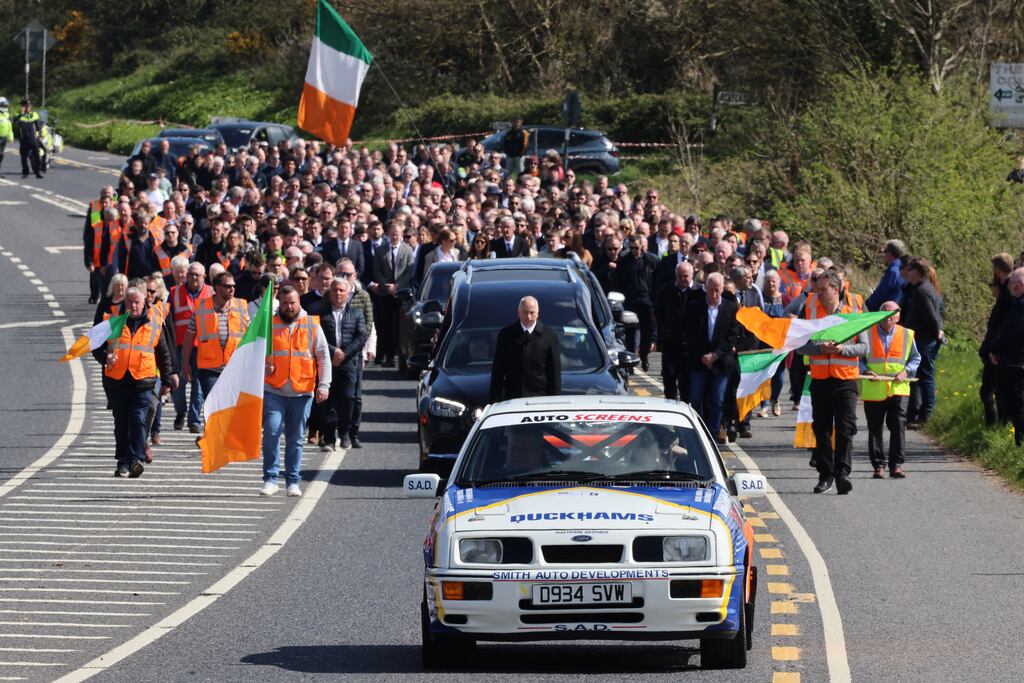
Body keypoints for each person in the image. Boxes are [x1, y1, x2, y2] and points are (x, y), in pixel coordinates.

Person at [92, 287, 177, 477]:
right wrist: (106, 358)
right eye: (129, 302)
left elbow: (163, 354)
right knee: (121, 423)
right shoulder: (113, 323)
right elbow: (95, 346)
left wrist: (167, 379)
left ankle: (136, 459)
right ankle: (123, 461)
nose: (133, 305)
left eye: (137, 302)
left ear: (144, 303)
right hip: (118, 381)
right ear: (125, 304)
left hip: (143, 381)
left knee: (138, 420)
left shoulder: (153, 324)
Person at [798, 270, 868, 494]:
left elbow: (865, 348)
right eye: (817, 290)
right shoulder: (811, 313)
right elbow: (799, 347)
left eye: (823, 290)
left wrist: (842, 349)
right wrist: (819, 348)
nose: (818, 294)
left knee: (846, 429)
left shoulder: (853, 313)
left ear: (836, 290)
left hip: (846, 380)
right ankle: (825, 475)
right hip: (820, 380)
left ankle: (842, 474)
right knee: (822, 429)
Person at [261, 285, 331, 497]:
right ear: (278, 303)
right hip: (274, 390)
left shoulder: (312, 325)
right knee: (272, 432)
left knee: (295, 437)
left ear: (299, 302)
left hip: (302, 392)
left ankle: (293, 481)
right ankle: (270, 479)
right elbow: (254, 354)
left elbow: (323, 357)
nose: (289, 307)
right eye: (284, 303)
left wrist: (324, 385)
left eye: (292, 303)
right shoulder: (268, 325)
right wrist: (265, 367)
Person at [179, 272, 249, 434]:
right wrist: (185, 364)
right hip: (209, 367)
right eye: (227, 286)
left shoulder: (241, 307)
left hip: (233, 367)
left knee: (229, 403)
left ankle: (217, 434)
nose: (232, 289)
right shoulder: (201, 308)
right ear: (217, 288)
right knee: (214, 401)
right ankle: (212, 434)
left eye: (233, 286)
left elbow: (250, 336)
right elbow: (189, 337)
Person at [860, 301, 920, 478]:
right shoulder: (867, 333)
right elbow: (858, 357)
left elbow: (915, 358)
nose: (888, 317)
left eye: (892, 314)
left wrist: (906, 371)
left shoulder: (907, 334)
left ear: (898, 316)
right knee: (874, 428)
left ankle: (896, 465)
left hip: (898, 388)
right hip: (874, 387)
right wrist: (865, 370)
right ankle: (878, 466)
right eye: (885, 313)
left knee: (898, 426)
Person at [684, 273, 739, 444]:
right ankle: (697, 434)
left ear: (722, 289)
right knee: (695, 398)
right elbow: (689, 333)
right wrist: (703, 355)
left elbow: (732, 336)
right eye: (711, 290)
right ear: (706, 289)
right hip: (699, 360)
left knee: (717, 399)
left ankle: (713, 434)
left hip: (721, 361)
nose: (714, 294)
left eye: (717, 290)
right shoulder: (695, 306)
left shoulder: (730, 308)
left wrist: (715, 355)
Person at [315, 278, 367, 450]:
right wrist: (332, 351)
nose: (338, 293)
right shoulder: (320, 313)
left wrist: (344, 353)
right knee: (328, 402)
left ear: (348, 293)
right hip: (327, 362)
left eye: (341, 291)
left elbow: (361, 337)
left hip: (348, 363)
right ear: (329, 292)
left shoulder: (357, 313)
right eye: (335, 290)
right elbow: (315, 335)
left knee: (347, 399)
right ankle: (329, 439)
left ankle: (345, 433)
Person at [489, 296, 561, 402]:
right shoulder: (506, 335)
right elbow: (498, 370)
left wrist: (555, 401)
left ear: (538, 313)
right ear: (518, 312)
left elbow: (554, 372)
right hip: (513, 398)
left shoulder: (549, 335)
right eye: (525, 312)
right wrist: (495, 400)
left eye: (532, 313)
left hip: (540, 398)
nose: (528, 316)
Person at [900, 258, 943, 429]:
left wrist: (936, 333)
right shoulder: (920, 288)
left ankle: (926, 414)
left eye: (909, 269)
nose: (907, 273)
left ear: (916, 271)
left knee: (925, 377)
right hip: (922, 339)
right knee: (918, 377)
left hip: (925, 340)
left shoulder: (922, 290)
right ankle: (914, 413)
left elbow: (931, 316)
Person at [169, 262, 212, 432]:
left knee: (198, 385)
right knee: (178, 385)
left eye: (198, 275)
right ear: (186, 275)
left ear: (204, 277)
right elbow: (169, 320)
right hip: (180, 346)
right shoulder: (174, 293)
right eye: (191, 274)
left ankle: (194, 420)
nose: (194, 277)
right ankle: (180, 412)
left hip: (203, 346)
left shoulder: (211, 293)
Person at [369, 222, 414, 367]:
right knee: (386, 326)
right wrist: (385, 285)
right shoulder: (381, 250)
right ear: (388, 233)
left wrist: (397, 285)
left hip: (401, 294)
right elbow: (376, 271)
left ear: (401, 234)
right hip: (384, 294)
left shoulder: (408, 250)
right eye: (393, 233)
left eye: (398, 233)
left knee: (400, 327)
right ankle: (388, 356)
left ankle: (401, 356)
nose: (395, 236)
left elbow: (409, 271)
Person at [654, 261, 700, 401]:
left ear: (692, 275)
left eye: (685, 276)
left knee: (686, 383)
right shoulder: (666, 290)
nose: (682, 279)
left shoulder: (698, 292)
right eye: (679, 276)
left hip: (690, 346)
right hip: (670, 344)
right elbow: (658, 313)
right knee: (669, 380)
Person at [990, 268, 1024, 446]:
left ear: (1020, 286)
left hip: (1016, 362)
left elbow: (1011, 333)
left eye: (1012, 284)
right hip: (1015, 360)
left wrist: (994, 348)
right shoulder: (1016, 304)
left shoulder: (1019, 306)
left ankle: (1020, 443)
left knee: (1017, 406)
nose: (1009, 287)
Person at [615, 234, 658, 371]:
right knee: (630, 333)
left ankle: (644, 356)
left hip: (646, 299)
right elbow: (619, 280)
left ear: (642, 246)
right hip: (630, 299)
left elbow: (657, 277)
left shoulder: (650, 260)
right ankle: (631, 360)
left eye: (637, 247)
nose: (634, 250)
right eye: (632, 247)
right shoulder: (624, 261)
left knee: (646, 332)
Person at [979, 253, 1014, 426]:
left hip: (998, 349)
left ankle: (996, 426)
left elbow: (1004, 324)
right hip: (996, 346)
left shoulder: (1007, 292)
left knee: (990, 391)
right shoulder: (1005, 289)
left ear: (998, 269)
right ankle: (998, 425)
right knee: (995, 391)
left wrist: (995, 348)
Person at [865, 240, 906, 312]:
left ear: (890, 253)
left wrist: (866, 305)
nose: (884, 254)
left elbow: (881, 293)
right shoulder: (902, 268)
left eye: (885, 251)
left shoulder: (893, 271)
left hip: (885, 311)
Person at [12, 98, 42, 179]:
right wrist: (21, 114)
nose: (27, 107)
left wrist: (40, 135)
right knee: (23, 158)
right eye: (25, 106)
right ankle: (25, 172)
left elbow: (38, 126)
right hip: (24, 139)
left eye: (28, 105)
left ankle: (37, 172)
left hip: (33, 139)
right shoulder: (19, 115)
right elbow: (14, 122)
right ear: (22, 107)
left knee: (37, 157)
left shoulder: (34, 114)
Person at [0, 96, 13, 171]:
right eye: (3, 106)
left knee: (1, 155)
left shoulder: (7, 115)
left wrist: (10, 137)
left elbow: (9, 126)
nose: (5, 107)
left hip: (4, 138)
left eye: (6, 106)